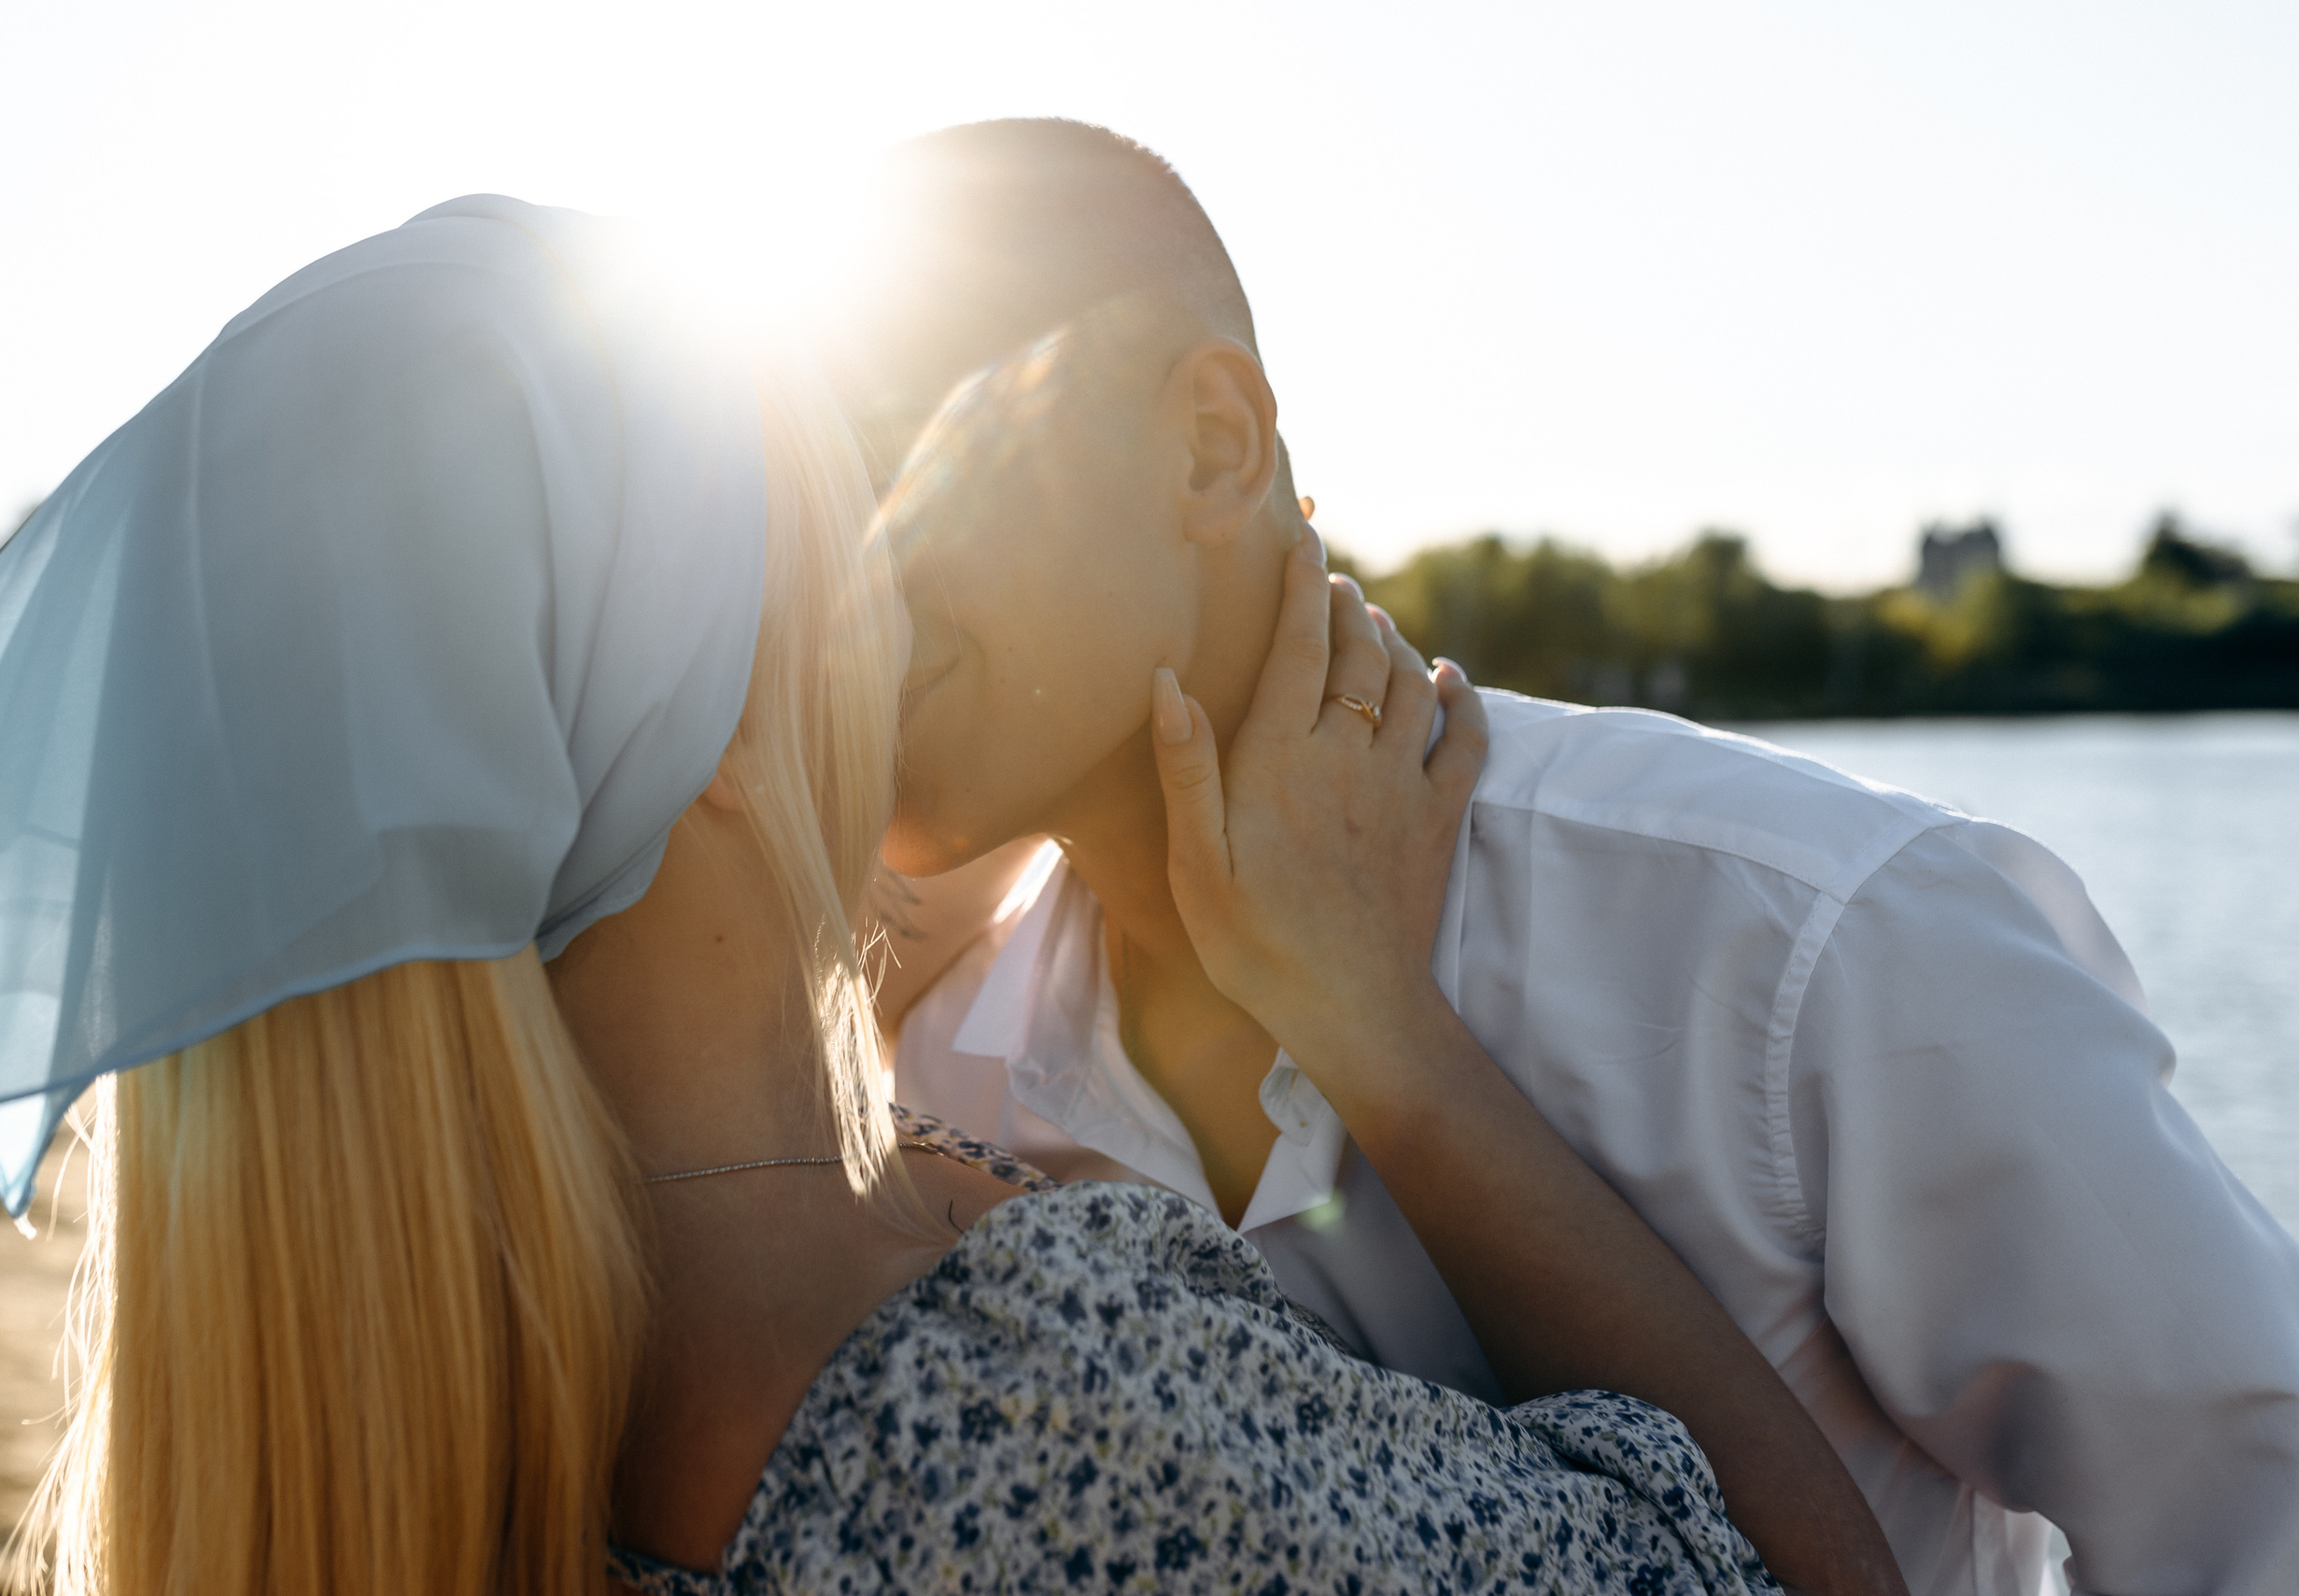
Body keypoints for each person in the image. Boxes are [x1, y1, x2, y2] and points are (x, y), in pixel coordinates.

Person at [0, 194, 1887, 1594]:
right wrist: (1387, 1038)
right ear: (707, 706)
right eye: (831, 535)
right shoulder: (1003, 1426)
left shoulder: (356, 1417)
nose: (893, 599)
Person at [831, 120, 2299, 1596]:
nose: (818, 585)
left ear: (1212, 446)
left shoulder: (1807, 945)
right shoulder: (935, 1097)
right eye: (792, 516)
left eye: (891, 461)